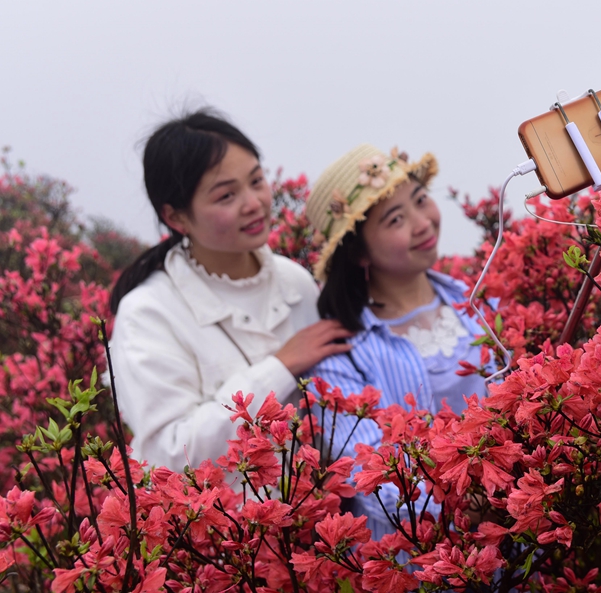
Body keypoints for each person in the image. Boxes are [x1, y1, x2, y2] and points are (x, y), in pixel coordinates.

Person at [108, 110, 351, 472]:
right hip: (226, 526)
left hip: (316, 516)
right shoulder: (149, 312)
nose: (253, 202)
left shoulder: (295, 281)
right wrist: (280, 367)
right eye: (226, 196)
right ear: (176, 218)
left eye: (256, 180)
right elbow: (171, 454)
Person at [304, 144, 490, 536]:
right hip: (416, 558)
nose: (422, 223)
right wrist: (467, 504)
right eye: (395, 220)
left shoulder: (471, 302)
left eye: (421, 200)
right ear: (357, 252)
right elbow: (369, 477)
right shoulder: (342, 353)